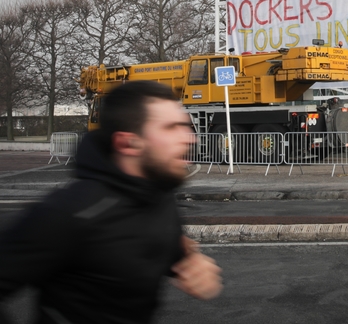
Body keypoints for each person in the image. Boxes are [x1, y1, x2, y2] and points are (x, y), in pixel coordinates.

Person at [0, 81, 222, 323]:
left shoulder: (159, 195)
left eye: (185, 126)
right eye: (171, 128)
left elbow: (155, 251)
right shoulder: (67, 213)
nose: (189, 138)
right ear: (127, 143)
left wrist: (191, 262)